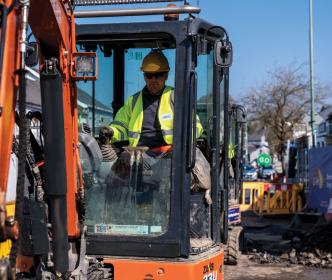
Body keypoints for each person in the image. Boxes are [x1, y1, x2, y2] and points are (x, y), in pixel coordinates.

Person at [99, 50, 203, 149]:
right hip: (138, 154)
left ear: (166, 76)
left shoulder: (177, 98)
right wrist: (111, 131)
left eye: (158, 75)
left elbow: (196, 127)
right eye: (149, 75)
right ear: (144, 76)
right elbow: (121, 125)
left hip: (169, 156)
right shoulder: (133, 101)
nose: (153, 80)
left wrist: (180, 143)